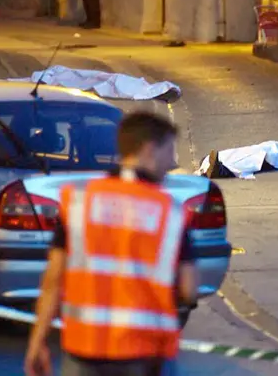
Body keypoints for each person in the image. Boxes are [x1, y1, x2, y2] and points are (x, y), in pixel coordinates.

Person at [24, 112, 198, 376]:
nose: (172, 162)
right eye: (169, 150)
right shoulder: (170, 212)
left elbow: (53, 279)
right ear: (149, 149)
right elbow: (189, 288)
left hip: (84, 348)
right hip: (146, 352)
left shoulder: (78, 201)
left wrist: (37, 341)